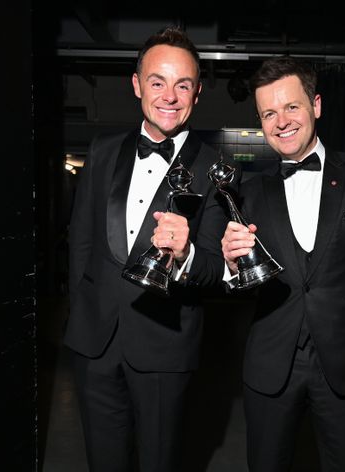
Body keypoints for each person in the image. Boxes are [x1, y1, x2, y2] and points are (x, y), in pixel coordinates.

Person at [220, 56, 345, 471]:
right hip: (272, 364)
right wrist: (231, 262)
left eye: (291, 107)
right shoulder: (249, 191)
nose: (281, 121)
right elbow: (241, 281)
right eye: (268, 113)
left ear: (316, 105)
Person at [65, 27, 232, 472]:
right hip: (94, 341)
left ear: (197, 93)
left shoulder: (217, 168)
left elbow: (217, 269)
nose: (169, 96)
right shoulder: (102, 151)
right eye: (157, 81)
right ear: (137, 84)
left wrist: (188, 253)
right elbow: (81, 240)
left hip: (164, 346)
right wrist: (80, 312)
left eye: (183, 85)